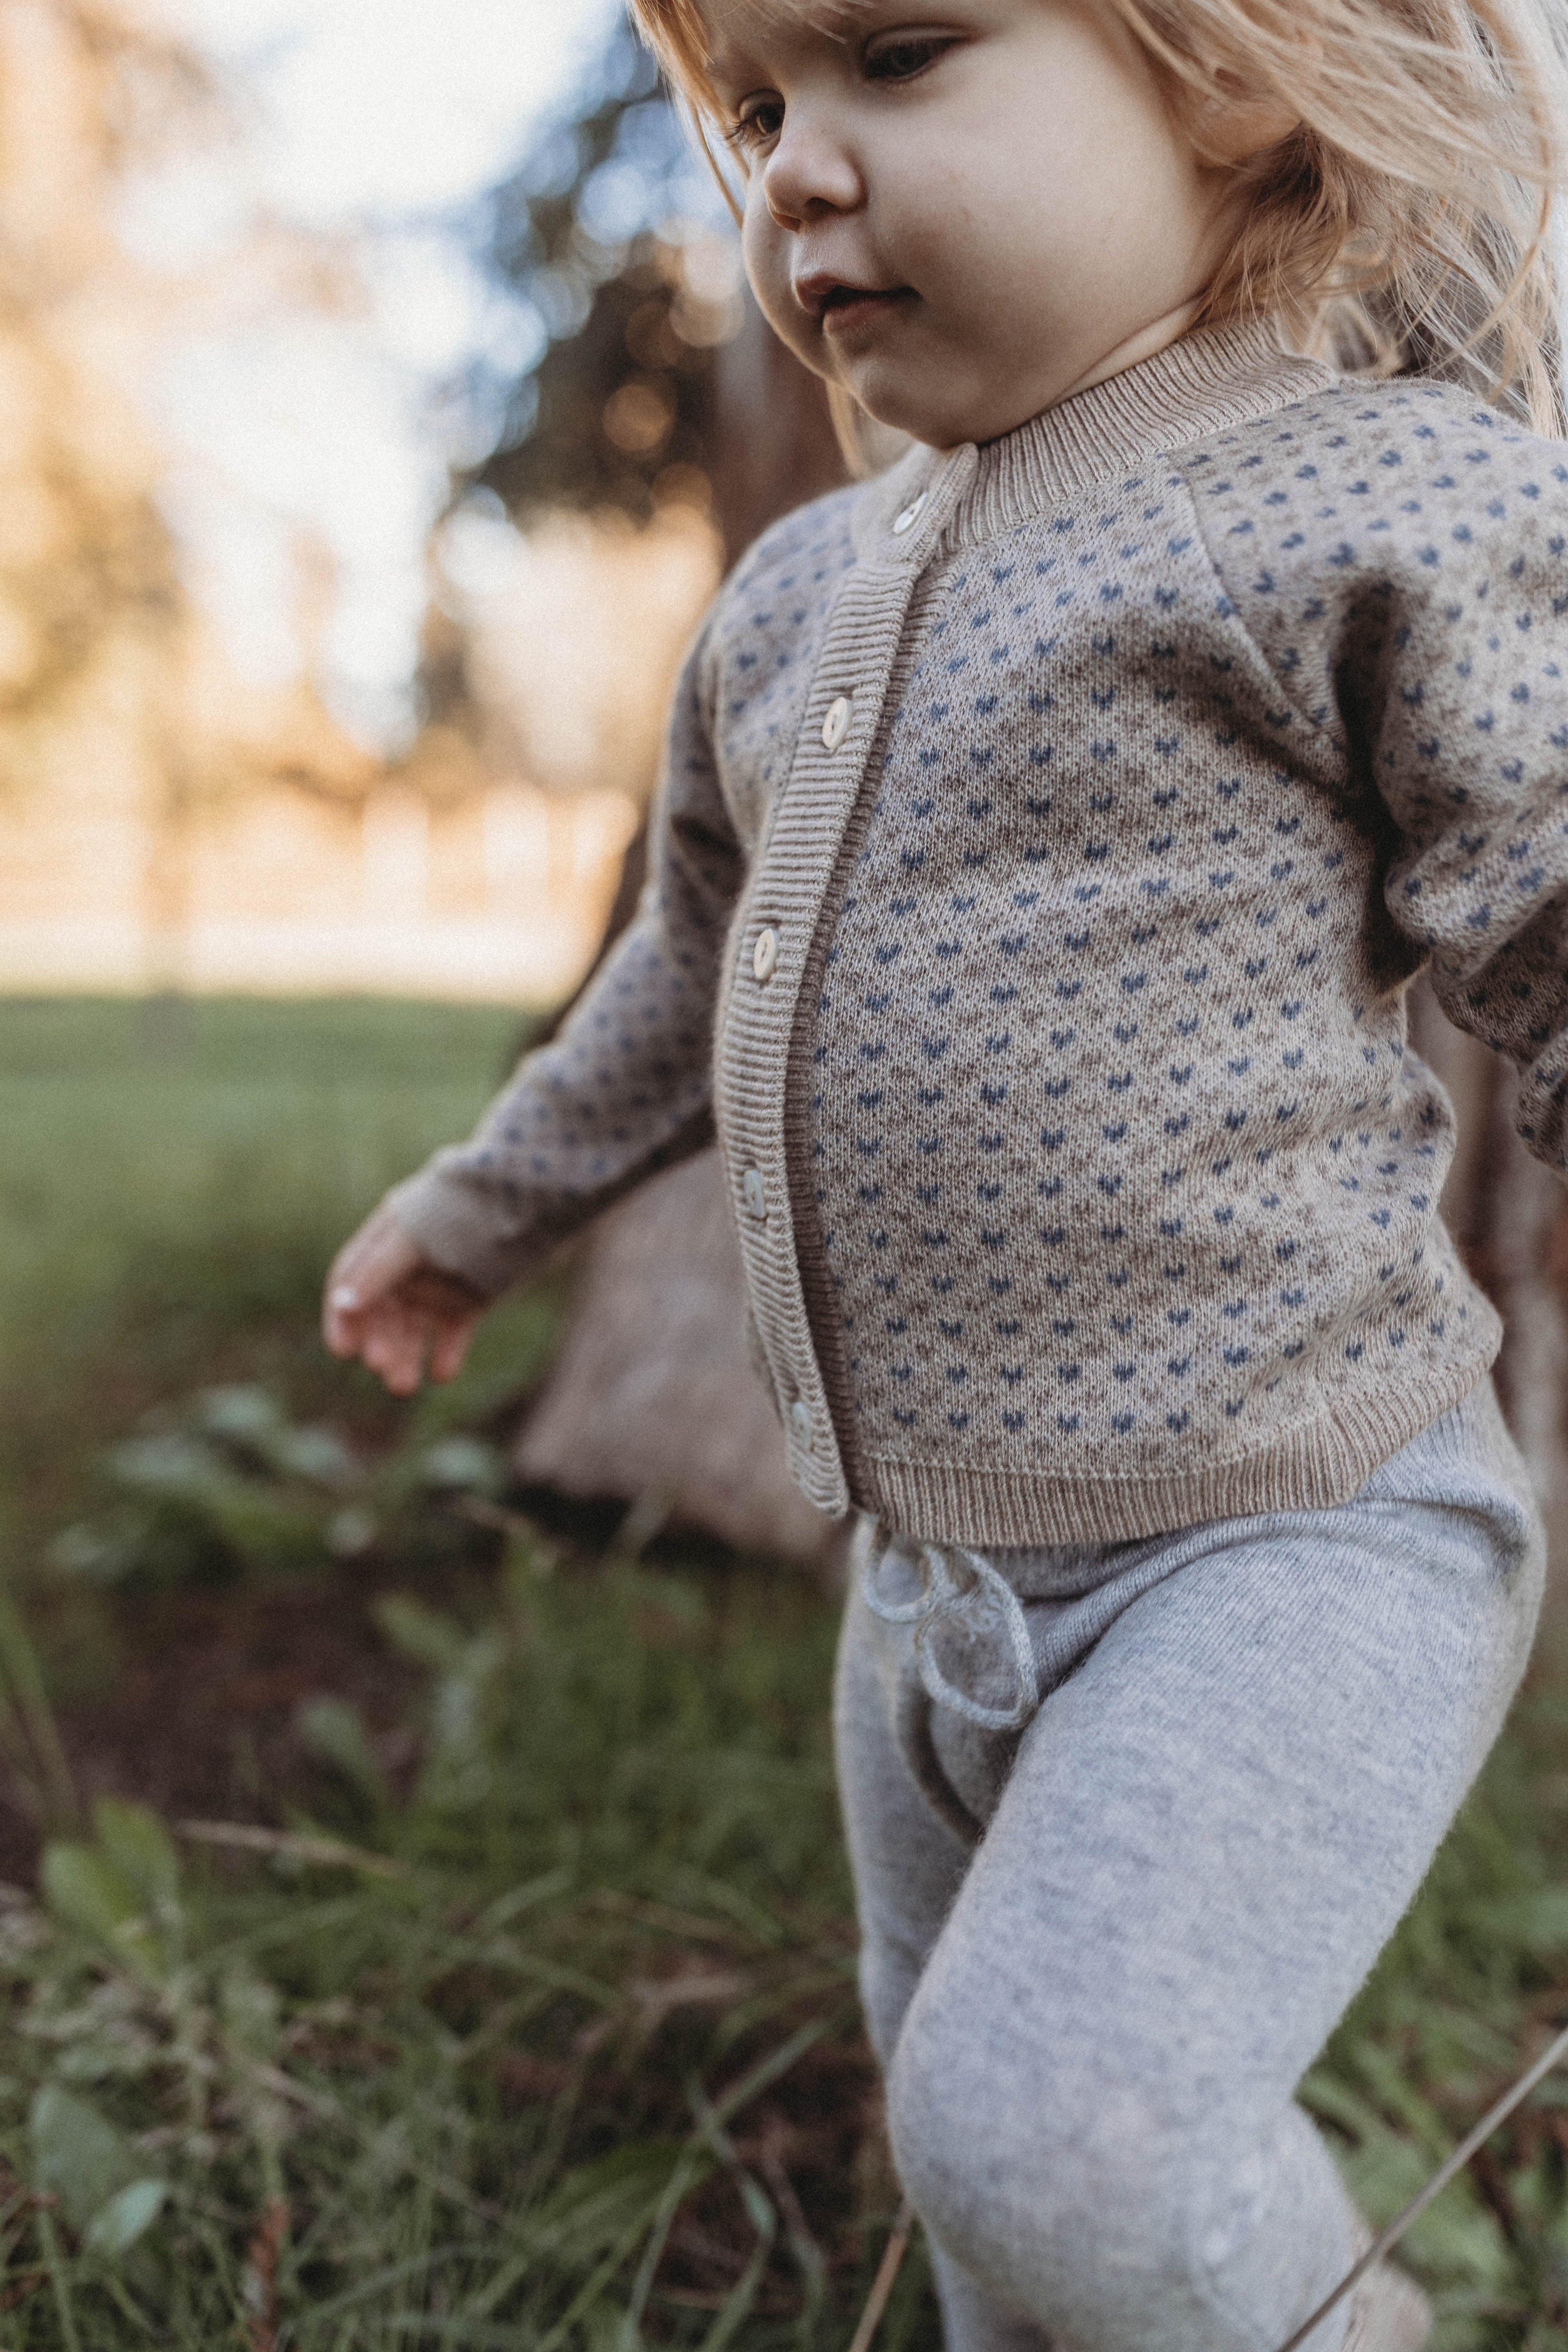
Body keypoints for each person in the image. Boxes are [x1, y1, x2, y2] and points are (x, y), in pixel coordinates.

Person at [323, 0, 1568, 2341]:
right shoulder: (794, 601)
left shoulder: (1382, 503)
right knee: (980, 2160)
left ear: (1229, 76)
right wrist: (482, 1204)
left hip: (1291, 1540)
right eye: (760, 106)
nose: (795, 168)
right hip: (927, 1597)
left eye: (897, 54)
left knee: (1062, 2146)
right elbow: (685, 975)